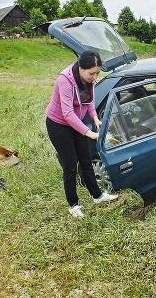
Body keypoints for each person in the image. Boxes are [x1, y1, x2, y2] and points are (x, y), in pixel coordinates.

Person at [46, 51, 118, 218]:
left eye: (97, 73)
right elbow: (68, 113)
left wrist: (94, 118)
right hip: (59, 125)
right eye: (91, 73)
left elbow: (89, 101)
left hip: (76, 123)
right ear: (80, 68)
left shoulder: (89, 80)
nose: (94, 77)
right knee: (70, 165)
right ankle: (73, 205)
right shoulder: (65, 81)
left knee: (86, 160)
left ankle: (97, 196)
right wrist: (89, 132)